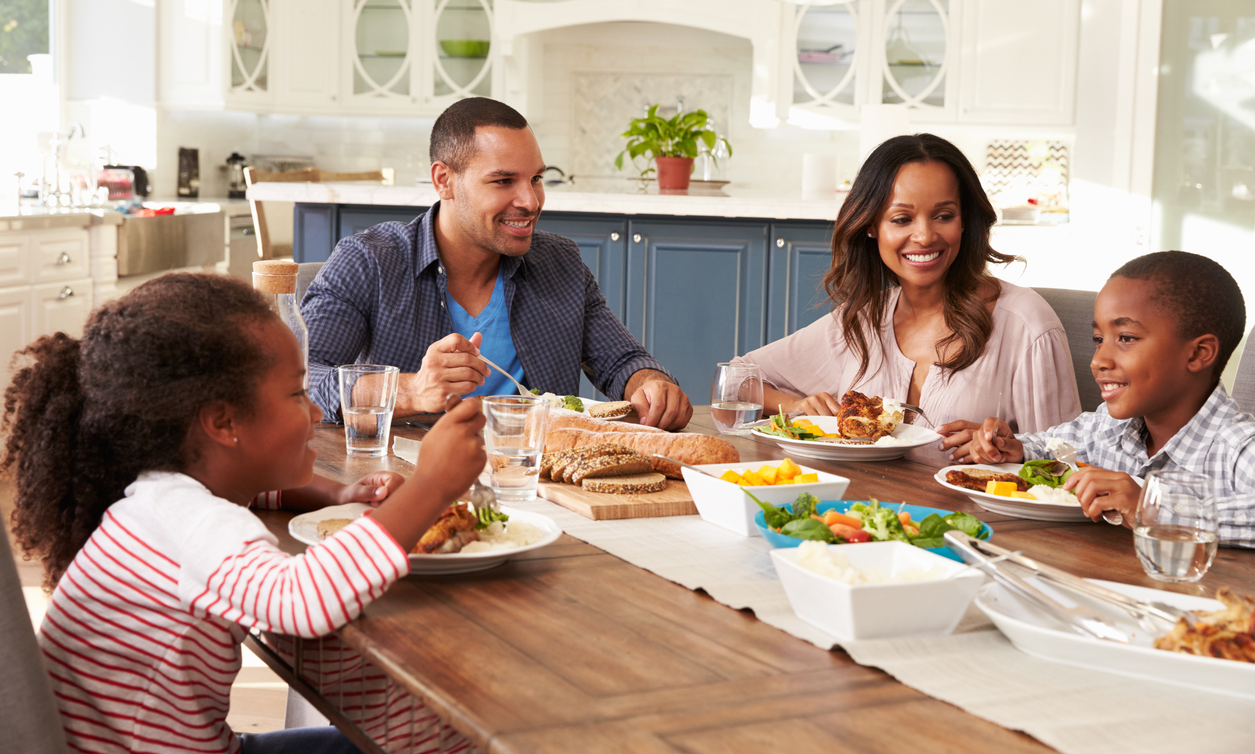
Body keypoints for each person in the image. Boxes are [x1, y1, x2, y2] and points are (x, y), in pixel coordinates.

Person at [1, 272, 489, 753]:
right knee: (440, 736)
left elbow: (244, 494)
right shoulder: (194, 523)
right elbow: (304, 600)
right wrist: (432, 484)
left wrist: (333, 496)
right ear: (222, 422)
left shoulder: (162, 498)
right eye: (298, 393)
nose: (317, 413)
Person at [302, 97, 692, 430]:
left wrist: (650, 383)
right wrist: (412, 389)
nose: (531, 200)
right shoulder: (369, 261)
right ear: (444, 181)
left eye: (536, 178)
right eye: (503, 181)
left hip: (537, 483)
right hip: (407, 486)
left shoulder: (561, 263)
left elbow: (622, 361)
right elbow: (300, 381)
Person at [733, 133, 1081, 466]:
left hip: (982, 526)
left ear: (965, 222)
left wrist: (1011, 449)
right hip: (862, 516)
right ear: (870, 225)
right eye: (901, 219)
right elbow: (735, 383)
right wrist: (797, 406)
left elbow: (1071, 461)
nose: (925, 235)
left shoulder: (1027, 325)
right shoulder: (862, 321)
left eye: (944, 216)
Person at [941, 251, 1255, 546]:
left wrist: (1150, 506)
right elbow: (1051, 447)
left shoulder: (1239, 446)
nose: (1099, 360)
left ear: (1199, 354)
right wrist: (1013, 448)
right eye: (1098, 340)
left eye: (1126, 339)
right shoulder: (1107, 427)